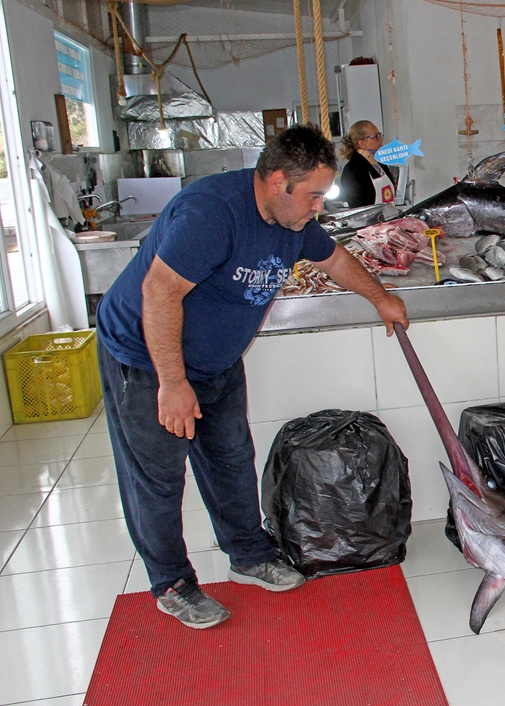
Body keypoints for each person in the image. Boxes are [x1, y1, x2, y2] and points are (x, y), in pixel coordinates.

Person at [96, 125, 409, 628]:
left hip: (215, 360)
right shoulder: (212, 213)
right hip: (148, 358)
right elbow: (159, 292)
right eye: (311, 196)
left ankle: (247, 552)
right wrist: (172, 384)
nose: (317, 208)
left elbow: (333, 258)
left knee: (231, 459)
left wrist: (380, 297)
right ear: (278, 181)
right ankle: (172, 582)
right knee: (157, 476)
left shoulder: (292, 221)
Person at [337, 120, 398, 207]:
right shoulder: (352, 170)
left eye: (380, 135)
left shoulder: (380, 163)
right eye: (375, 136)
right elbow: (359, 207)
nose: (381, 139)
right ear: (362, 143)